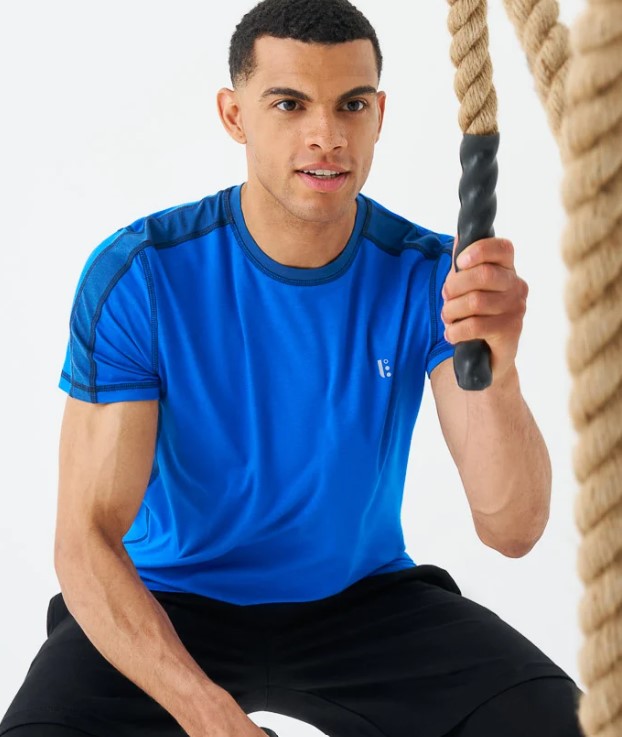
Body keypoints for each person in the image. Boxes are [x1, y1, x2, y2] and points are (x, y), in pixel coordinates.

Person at [0, 1, 583, 736]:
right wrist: (208, 713)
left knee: (561, 723)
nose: (328, 135)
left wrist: (495, 362)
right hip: (169, 600)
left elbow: (513, 527)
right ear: (234, 114)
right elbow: (83, 539)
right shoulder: (140, 276)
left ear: (380, 114)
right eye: (290, 103)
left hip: (362, 601)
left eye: (352, 104)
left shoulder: (432, 277)